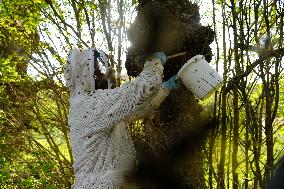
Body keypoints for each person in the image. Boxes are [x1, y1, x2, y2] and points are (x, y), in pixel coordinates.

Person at [64, 48, 180, 188]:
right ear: (84, 74)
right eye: (98, 71)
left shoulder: (87, 104)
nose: (105, 75)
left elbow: (136, 111)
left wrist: (164, 90)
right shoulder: (91, 103)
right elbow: (141, 88)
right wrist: (153, 62)